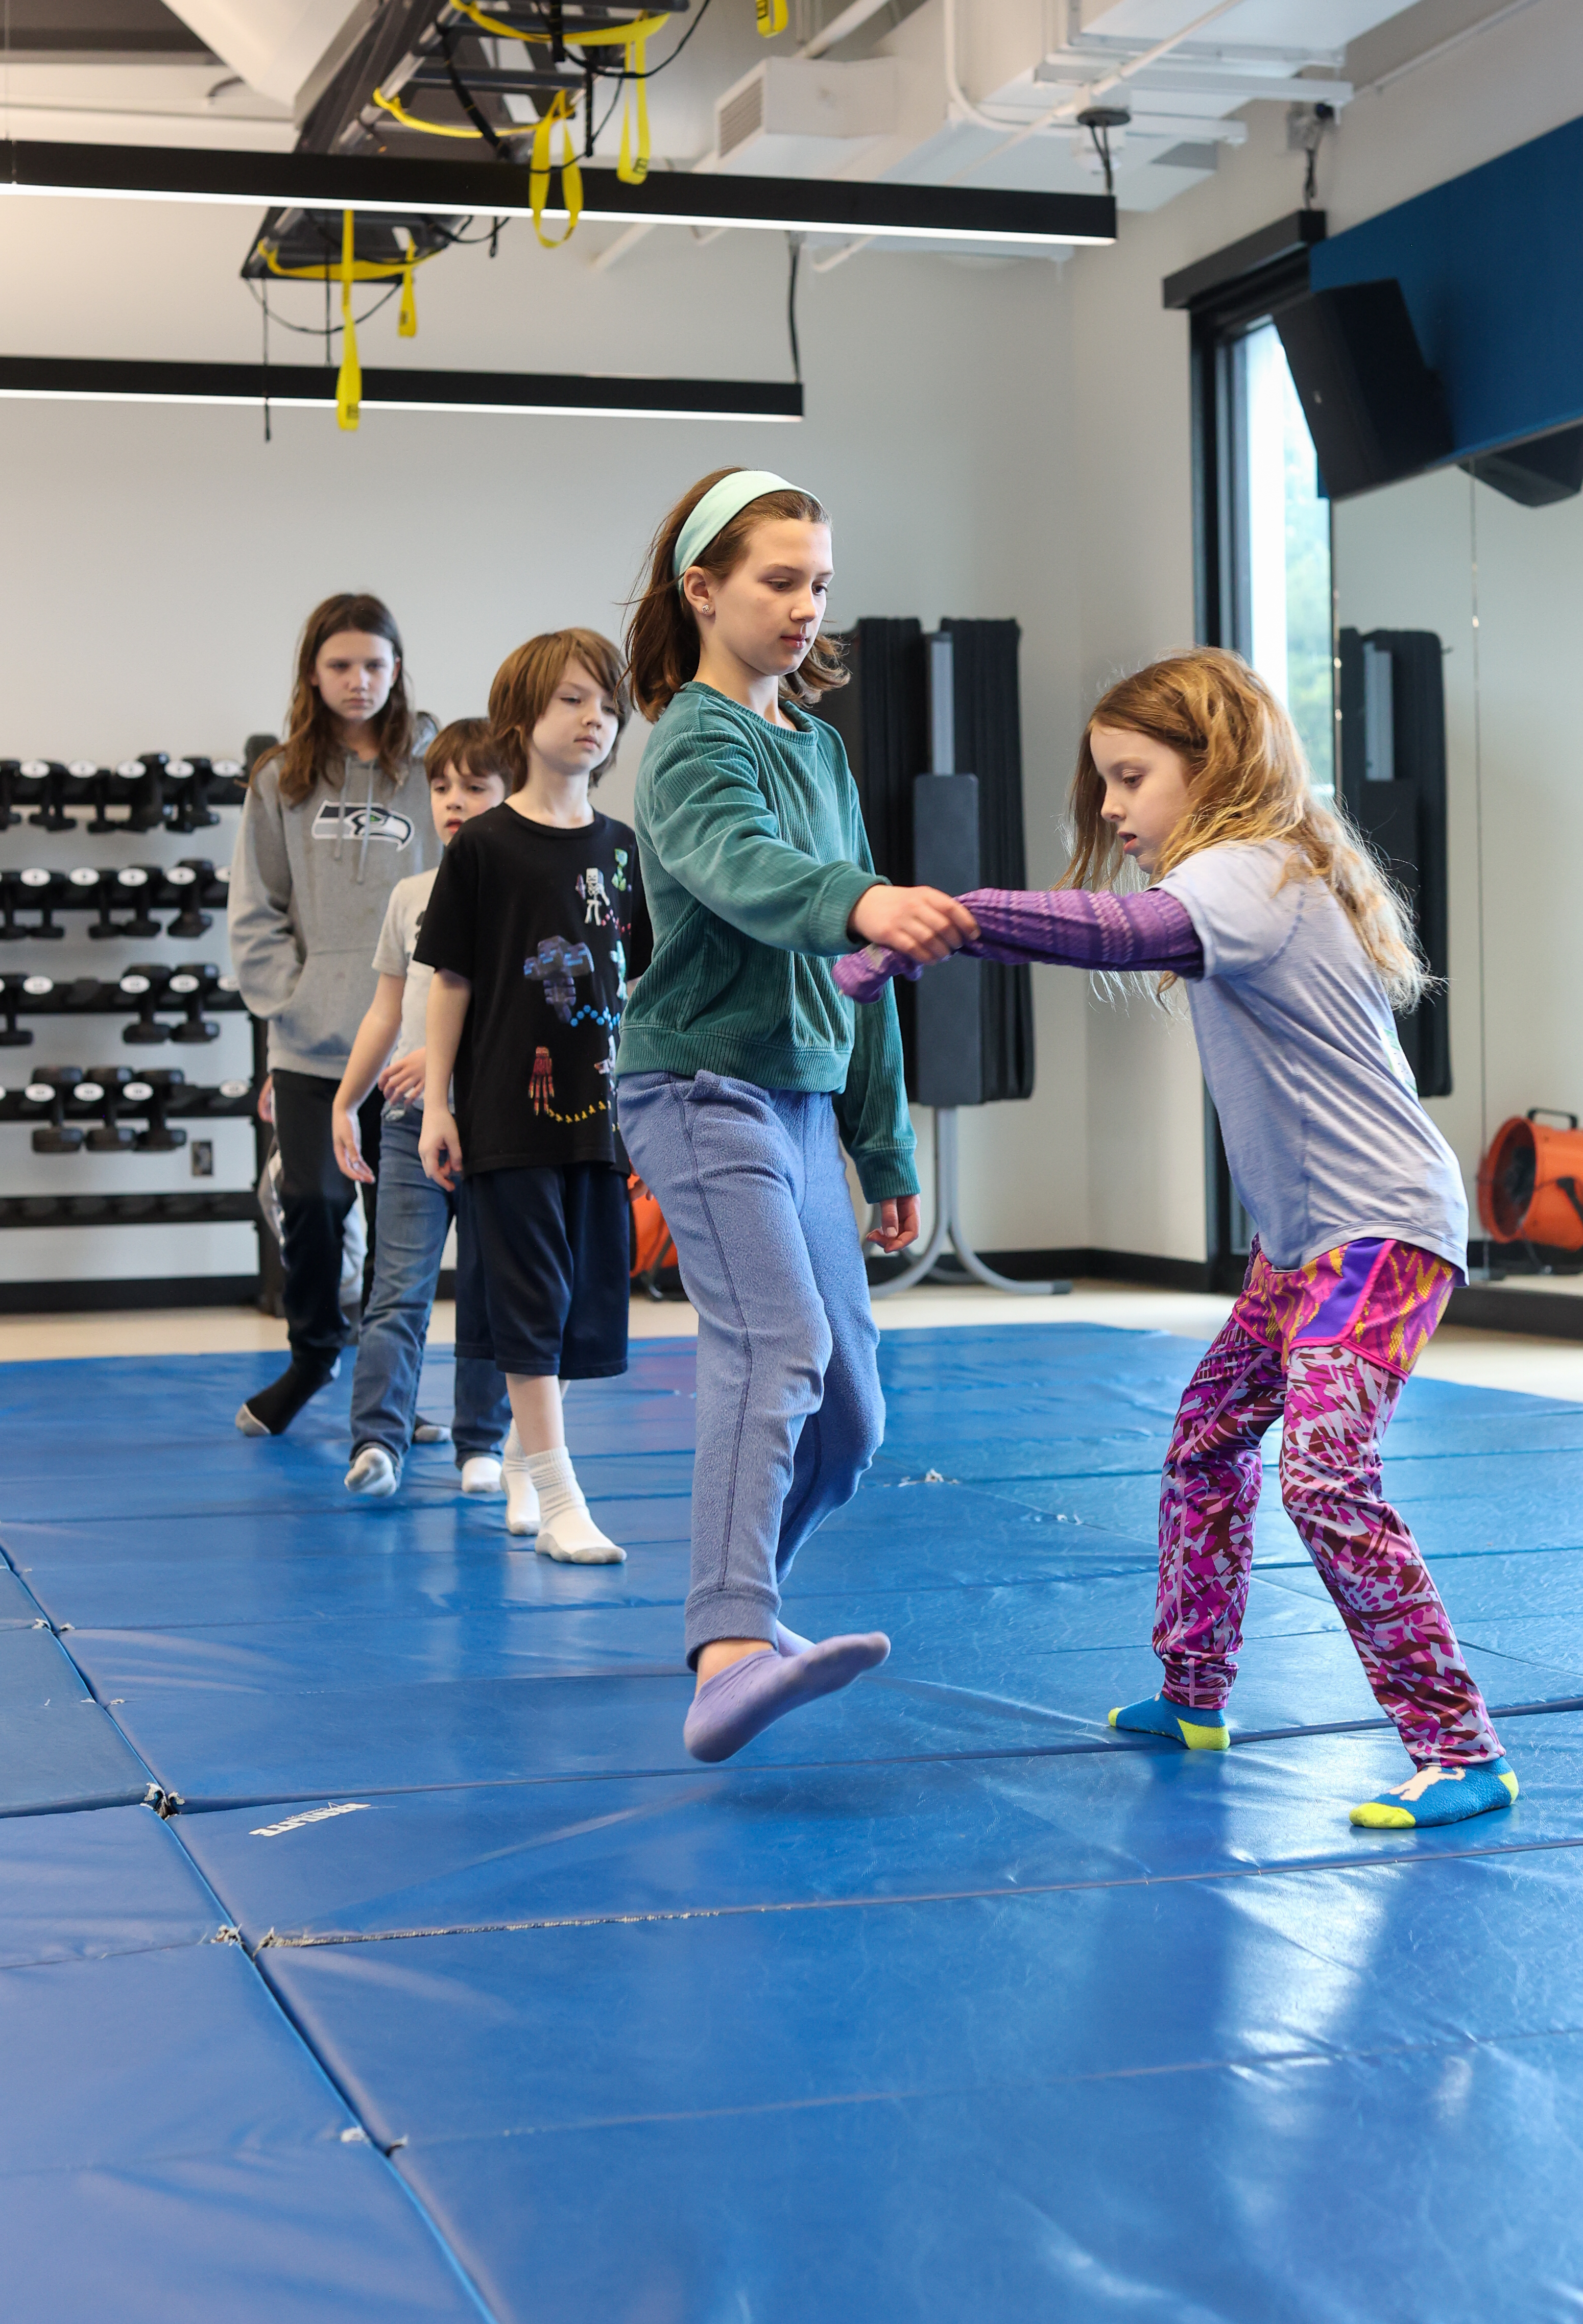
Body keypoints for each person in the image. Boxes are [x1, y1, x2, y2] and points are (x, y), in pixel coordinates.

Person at [836, 645, 1516, 1833]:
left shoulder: (1251, 872)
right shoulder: (1257, 870)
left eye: (1129, 776)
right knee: (1207, 1440)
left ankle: (1458, 1747)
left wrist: (948, 920)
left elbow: (1112, 930)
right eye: (1104, 780)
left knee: (1319, 1474)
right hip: (1300, 1244)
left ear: (1213, 768)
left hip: (1380, 1234)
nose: (1109, 807)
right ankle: (1192, 1692)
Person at [612, 468, 978, 1765]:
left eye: (820, 584)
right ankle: (726, 1648)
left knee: (851, 1413)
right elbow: (754, 877)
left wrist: (881, 1142)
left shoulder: (818, 749)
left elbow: (859, 972)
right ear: (701, 589)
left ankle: (736, 1604)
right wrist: (861, 900)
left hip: (801, 1100)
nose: (805, 607)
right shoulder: (690, 741)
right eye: (778, 581)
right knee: (775, 1346)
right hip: (695, 1083)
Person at [417, 630, 649, 1560]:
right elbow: (453, 981)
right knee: (526, 1294)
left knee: (577, 1305)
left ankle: (524, 1457)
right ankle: (560, 1497)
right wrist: (439, 1102)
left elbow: (638, 980)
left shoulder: (625, 850)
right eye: (571, 702)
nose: (593, 720)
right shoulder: (485, 850)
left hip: (599, 1116)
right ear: (522, 718)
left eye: (606, 706)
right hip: (507, 1110)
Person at [230, 593, 440, 1438]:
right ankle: (315, 1354)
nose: (360, 682)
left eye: (375, 665)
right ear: (313, 675)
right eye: (341, 666)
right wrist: (301, 999)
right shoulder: (280, 779)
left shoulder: (432, 768)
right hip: (313, 1048)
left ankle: (392, 1390)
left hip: (412, 1045)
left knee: (406, 1230)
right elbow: (256, 910)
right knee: (312, 1201)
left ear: (397, 669)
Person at [331, 718, 513, 1498]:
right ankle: (378, 1439)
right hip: (409, 1127)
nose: (453, 801)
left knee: (490, 1288)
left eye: (475, 786)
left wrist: (439, 1061)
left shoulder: (524, 893)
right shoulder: (411, 895)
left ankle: (483, 1441)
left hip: (499, 1125)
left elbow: (521, 1010)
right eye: (442, 787)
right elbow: (386, 1011)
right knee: (396, 1286)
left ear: (509, 791)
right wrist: (347, 1100)